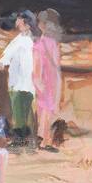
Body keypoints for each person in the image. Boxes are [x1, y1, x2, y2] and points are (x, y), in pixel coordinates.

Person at [0, 11, 38, 137]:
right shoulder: (21, 38)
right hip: (19, 81)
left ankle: (21, 138)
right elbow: (7, 54)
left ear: (26, 23)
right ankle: (24, 136)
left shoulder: (28, 40)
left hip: (25, 81)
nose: (16, 22)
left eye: (19, 20)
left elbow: (7, 55)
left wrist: (2, 61)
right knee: (21, 109)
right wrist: (2, 61)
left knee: (22, 109)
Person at [33, 8, 63, 151]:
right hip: (50, 79)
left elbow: (36, 65)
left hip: (43, 79)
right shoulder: (52, 44)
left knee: (44, 108)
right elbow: (56, 66)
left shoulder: (39, 44)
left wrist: (37, 81)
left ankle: (43, 139)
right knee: (47, 109)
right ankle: (44, 141)